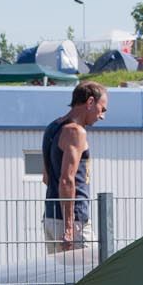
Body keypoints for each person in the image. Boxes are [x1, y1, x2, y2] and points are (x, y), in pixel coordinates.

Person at [40, 80, 107, 252]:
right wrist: (69, 228)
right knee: (94, 267)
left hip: (51, 217)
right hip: (73, 222)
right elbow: (67, 180)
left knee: (60, 269)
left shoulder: (53, 127)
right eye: (102, 109)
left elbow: (46, 177)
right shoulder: (75, 132)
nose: (102, 116)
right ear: (90, 102)